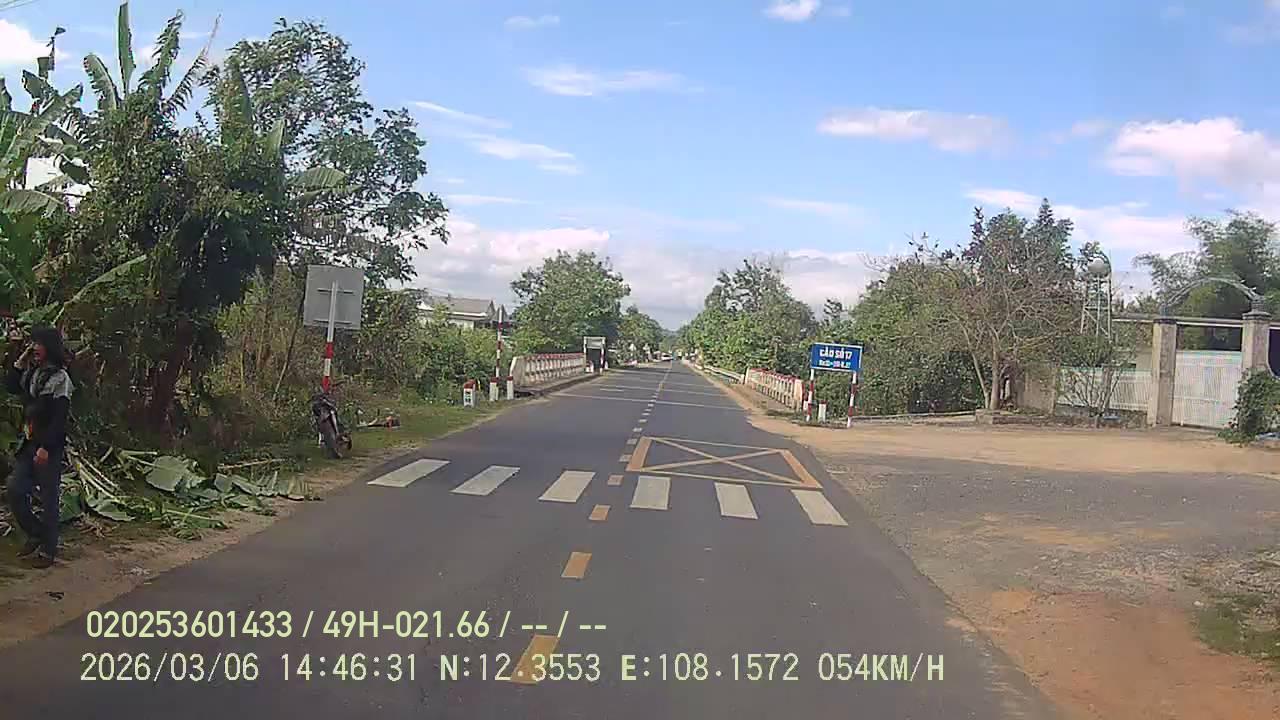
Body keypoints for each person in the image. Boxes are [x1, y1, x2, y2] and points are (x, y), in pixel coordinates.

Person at [5, 326, 74, 569]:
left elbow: (59, 419)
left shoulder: (60, 379)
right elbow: (11, 386)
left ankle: (48, 549)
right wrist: (19, 362)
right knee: (15, 488)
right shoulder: (33, 373)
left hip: (48, 446)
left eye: (39, 344)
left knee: (48, 498)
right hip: (29, 442)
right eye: (33, 343)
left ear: (50, 348)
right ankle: (36, 532)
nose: (34, 348)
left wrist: (46, 447)